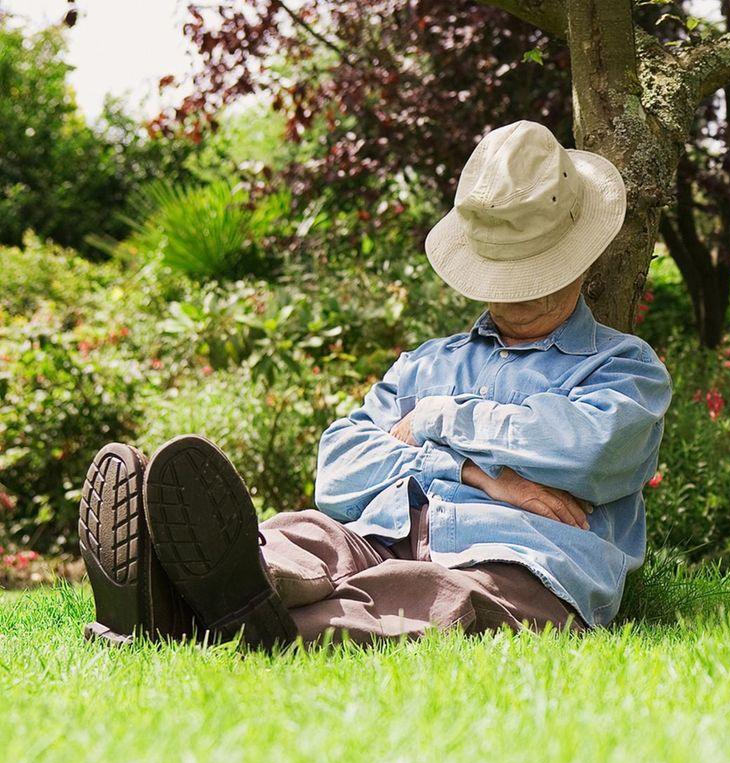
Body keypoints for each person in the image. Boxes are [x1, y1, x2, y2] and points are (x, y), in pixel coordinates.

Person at [76, 121, 672, 647]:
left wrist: (437, 422)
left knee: (443, 599)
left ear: (582, 257)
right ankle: (194, 590)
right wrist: (475, 473)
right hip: (380, 534)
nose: (517, 288)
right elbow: (338, 469)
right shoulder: (425, 364)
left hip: (519, 560)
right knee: (300, 534)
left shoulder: (623, 369)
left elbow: (588, 449)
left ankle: (208, 617)